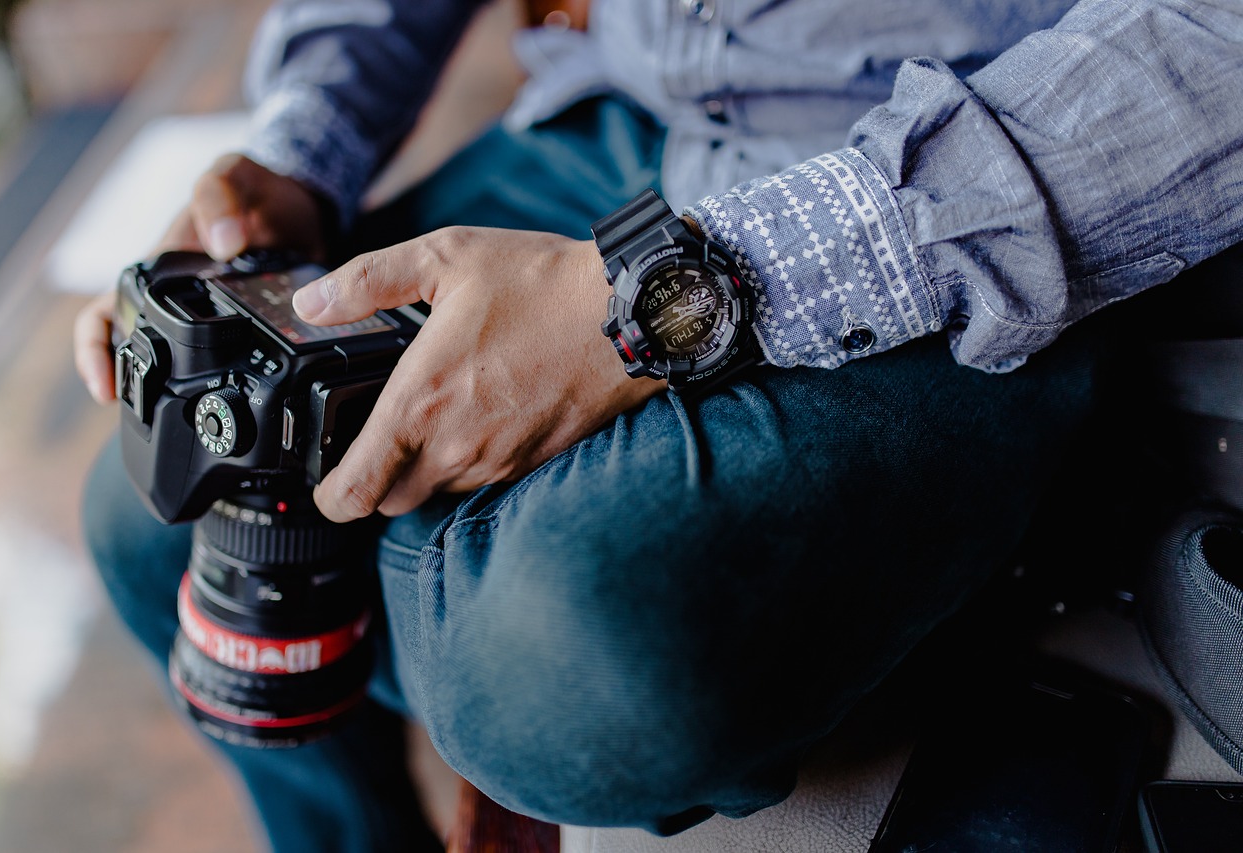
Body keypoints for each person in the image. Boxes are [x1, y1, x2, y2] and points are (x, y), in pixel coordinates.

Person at [72, 0, 1243, 850]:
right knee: (147, 514)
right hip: (615, 117)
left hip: (937, 179)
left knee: (577, 671)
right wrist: (297, 150)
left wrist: (667, 295)